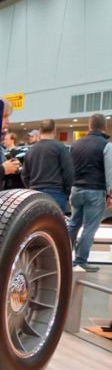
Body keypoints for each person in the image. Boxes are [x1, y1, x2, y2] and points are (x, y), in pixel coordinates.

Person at [68, 113, 112, 272]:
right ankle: (81, 260)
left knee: (73, 224)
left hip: (76, 189)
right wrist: (110, 194)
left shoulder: (76, 144)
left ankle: (64, 256)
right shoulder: (106, 145)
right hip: (95, 190)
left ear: (89, 126)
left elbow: (70, 168)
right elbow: (110, 171)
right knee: (89, 227)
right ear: (104, 127)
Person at [22, 118, 73, 213]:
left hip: (35, 193)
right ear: (55, 130)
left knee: (37, 224)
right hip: (56, 192)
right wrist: (67, 192)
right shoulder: (60, 148)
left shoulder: (31, 150)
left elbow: (24, 175)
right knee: (55, 226)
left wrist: (30, 187)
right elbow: (68, 172)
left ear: (40, 131)